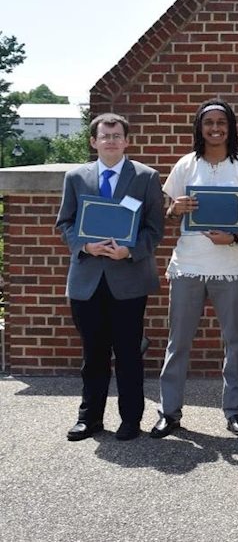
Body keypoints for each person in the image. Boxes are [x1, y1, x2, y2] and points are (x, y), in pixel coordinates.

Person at [55, 112, 165, 441]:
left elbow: (155, 229)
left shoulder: (146, 177)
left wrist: (129, 251)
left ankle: (130, 420)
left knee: (129, 353)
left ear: (126, 141)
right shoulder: (76, 177)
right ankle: (89, 419)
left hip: (128, 279)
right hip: (87, 280)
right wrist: (84, 245)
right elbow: (65, 223)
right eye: (105, 136)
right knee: (93, 354)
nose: (111, 141)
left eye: (117, 135)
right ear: (93, 141)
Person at [152, 100, 238, 439]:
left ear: (231, 126)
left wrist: (237, 233)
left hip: (231, 265)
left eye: (221, 122)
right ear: (199, 127)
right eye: (208, 122)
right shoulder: (186, 164)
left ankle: (236, 412)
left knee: (235, 342)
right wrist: (175, 209)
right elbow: (169, 210)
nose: (215, 128)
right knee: (178, 342)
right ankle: (169, 412)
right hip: (188, 265)